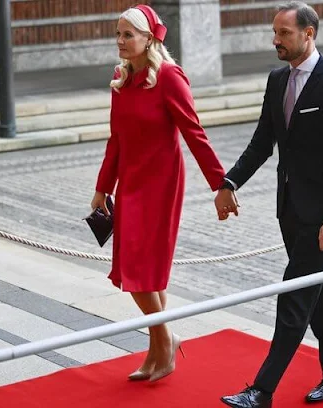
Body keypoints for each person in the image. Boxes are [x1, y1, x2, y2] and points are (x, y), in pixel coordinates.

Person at [217, 2, 323, 406]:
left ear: (309, 34)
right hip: (289, 209)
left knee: (295, 295)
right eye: (275, 32)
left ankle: (262, 390)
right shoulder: (276, 79)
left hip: (322, 217)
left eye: (283, 33)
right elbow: (264, 140)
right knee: (320, 291)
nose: (275, 40)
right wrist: (230, 181)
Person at [90, 5, 225, 382]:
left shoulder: (168, 77)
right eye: (117, 34)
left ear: (149, 38)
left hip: (161, 183)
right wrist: (103, 187)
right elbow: (115, 139)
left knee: (138, 270)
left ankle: (163, 343)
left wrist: (221, 184)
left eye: (127, 34)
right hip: (131, 181)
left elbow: (194, 133)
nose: (119, 41)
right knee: (141, 271)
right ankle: (160, 347)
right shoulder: (121, 77)